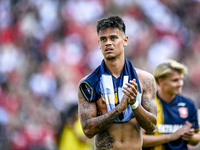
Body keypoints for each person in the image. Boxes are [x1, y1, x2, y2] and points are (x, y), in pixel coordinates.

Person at [78, 15, 157, 150]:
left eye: (113, 38)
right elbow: (88, 130)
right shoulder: (89, 83)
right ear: (99, 44)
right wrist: (119, 108)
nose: (108, 43)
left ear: (125, 40)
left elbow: (151, 126)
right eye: (103, 39)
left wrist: (134, 103)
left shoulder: (145, 80)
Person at [142, 59, 200, 150]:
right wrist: (171, 136)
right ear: (161, 81)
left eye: (181, 79)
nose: (180, 84)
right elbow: (140, 139)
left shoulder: (189, 104)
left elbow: (197, 138)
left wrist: (190, 136)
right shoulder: (147, 104)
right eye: (175, 80)